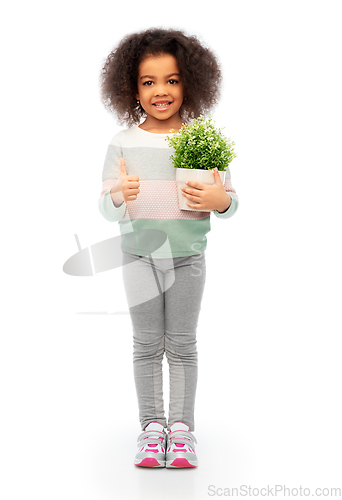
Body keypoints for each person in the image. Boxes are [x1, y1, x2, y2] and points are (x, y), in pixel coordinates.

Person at [98, 28, 239, 468]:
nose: (161, 91)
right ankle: (151, 427)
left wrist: (221, 201)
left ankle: (181, 431)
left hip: (188, 258)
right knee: (145, 344)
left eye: (172, 80)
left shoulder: (202, 141)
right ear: (132, 88)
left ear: (190, 84)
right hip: (138, 256)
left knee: (181, 344)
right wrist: (119, 192)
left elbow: (229, 200)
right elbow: (106, 208)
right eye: (149, 81)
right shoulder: (123, 143)